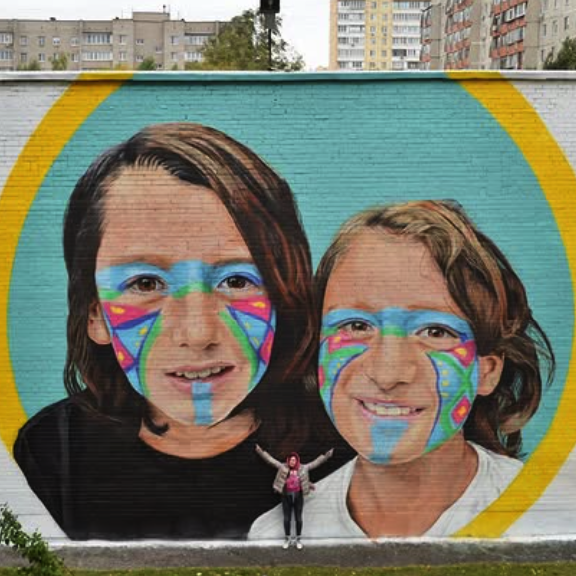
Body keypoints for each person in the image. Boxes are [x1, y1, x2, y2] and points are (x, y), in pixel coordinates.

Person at [13, 122, 321, 540]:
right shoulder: (54, 451)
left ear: (284, 295)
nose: (197, 333)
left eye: (236, 281)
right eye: (145, 284)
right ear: (95, 315)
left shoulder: (342, 442)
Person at [250, 199, 555, 539]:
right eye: (356, 326)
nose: (388, 374)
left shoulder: (548, 518)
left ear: (488, 370)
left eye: (435, 332)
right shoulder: (277, 536)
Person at [255, 444, 333, 549]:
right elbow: (271, 461)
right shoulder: (283, 467)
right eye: (291, 460)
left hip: (298, 497)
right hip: (286, 496)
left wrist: (326, 456)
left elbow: (316, 463)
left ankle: (298, 540)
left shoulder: (303, 468)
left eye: (294, 460)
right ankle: (287, 539)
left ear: (297, 461)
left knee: (298, 519)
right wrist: (260, 451)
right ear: (288, 460)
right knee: (287, 519)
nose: (292, 462)